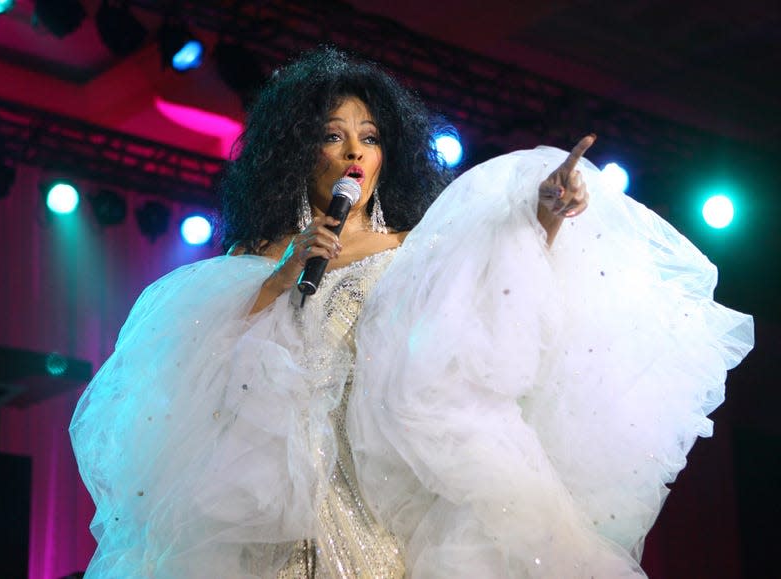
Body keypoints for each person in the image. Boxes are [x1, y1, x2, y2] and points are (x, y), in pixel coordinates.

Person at [70, 48, 753, 578]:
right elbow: (201, 369)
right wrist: (282, 275)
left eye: (368, 136)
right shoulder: (263, 255)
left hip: (374, 483)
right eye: (334, 136)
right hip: (271, 493)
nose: (354, 152)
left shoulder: (411, 248)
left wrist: (544, 214)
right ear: (298, 150)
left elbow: (491, 296)